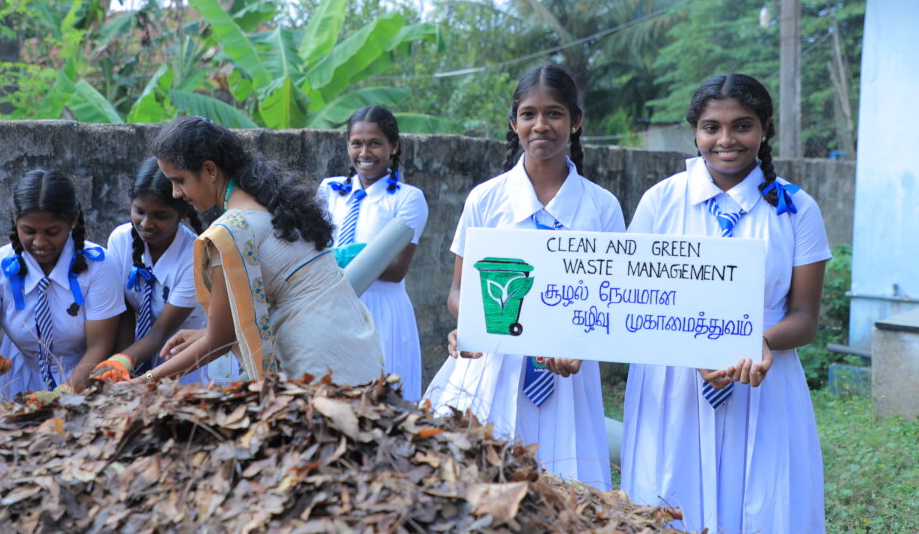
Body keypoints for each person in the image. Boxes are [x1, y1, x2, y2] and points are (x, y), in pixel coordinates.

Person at [621, 73, 830, 533]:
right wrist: (692, 348)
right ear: (695, 131)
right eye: (711, 127)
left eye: (742, 126)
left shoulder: (796, 208)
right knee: (670, 499)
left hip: (762, 377)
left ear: (766, 129)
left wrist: (754, 342)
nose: (726, 140)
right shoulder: (661, 201)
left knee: (762, 501)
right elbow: (633, 301)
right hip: (673, 383)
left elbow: (804, 318)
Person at [423, 63, 623, 488]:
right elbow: (459, 291)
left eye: (554, 113)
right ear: (514, 123)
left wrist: (580, 347)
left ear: (576, 121)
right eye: (529, 114)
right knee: (484, 483)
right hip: (493, 366)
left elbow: (611, 302)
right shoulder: (485, 199)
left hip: (570, 375)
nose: (541, 125)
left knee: (568, 488)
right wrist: (470, 324)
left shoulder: (601, 206)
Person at [140, 116, 384, 386]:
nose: (175, 193)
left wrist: (145, 380)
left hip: (316, 358)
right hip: (355, 340)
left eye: (179, 181)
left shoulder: (230, 231)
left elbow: (219, 340)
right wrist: (205, 334)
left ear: (209, 170)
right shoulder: (274, 199)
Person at [0, 170, 123, 399]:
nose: (40, 242)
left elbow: (100, 346)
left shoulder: (98, 266)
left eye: (52, 232)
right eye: (29, 231)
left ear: (73, 220)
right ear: (14, 220)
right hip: (15, 380)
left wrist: (65, 393)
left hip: (84, 379)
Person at [89, 158, 240, 385]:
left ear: (182, 214)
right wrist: (121, 366)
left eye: (160, 216)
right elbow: (124, 311)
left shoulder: (194, 257)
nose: (146, 224)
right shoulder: (121, 240)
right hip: (140, 352)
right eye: (139, 211)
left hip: (187, 358)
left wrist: (123, 360)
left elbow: (161, 331)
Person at [318, 105, 428, 400]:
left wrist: (339, 256)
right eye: (357, 143)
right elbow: (309, 247)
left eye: (375, 143)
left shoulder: (407, 198)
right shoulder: (329, 191)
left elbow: (395, 270)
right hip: (332, 305)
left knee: (382, 401)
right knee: (333, 398)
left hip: (381, 311)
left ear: (394, 147)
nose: (364, 153)